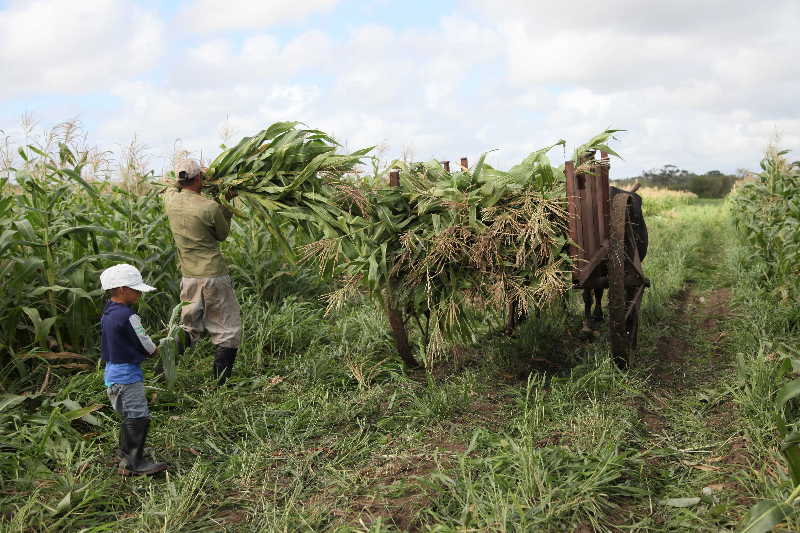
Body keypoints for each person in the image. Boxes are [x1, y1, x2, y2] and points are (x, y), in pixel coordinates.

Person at [163, 158, 242, 384]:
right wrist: (226, 203)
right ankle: (220, 384)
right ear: (199, 178)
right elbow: (222, 235)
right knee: (226, 328)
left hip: (189, 276)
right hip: (214, 275)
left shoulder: (170, 201)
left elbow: (172, 186)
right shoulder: (209, 207)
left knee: (188, 326)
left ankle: (163, 371)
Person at [100, 263, 168, 476]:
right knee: (139, 417)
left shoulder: (108, 312)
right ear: (121, 289)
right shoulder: (129, 316)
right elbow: (145, 342)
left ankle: (125, 452)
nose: (139, 293)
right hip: (127, 376)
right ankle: (134, 463)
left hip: (113, 373)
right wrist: (156, 350)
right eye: (135, 289)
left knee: (130, 415)